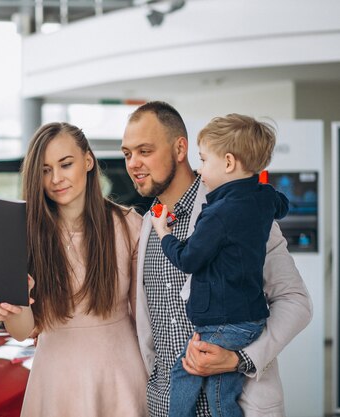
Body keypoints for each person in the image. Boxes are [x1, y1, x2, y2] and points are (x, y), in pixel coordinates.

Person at [121, 101, 312, 417]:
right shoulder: (147, 225)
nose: (133, 163)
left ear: (180, 148)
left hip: (231, 404)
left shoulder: (239, 211)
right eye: (128, 154)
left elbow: (296, 301)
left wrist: (240, 359)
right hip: (161, 404)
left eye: (144, 150)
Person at [0, 122, 149, 417]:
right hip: (56, 377)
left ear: (88, 161)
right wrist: (17, 301)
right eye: (45, 170)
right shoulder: (22, 234)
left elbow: (145, 319)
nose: (56, 178)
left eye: (65, 164)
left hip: (119, 375)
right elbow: (22, 332)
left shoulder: (129, 225)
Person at [150, 114, 289, 417]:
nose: (199, 169)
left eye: (203, 160)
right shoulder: (263, 197)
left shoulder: (220, 214)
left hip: (224, 322)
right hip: (249, 319)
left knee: (187, 372)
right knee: (220, 392)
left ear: (227, 163)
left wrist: (164, 233)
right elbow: (282, 204)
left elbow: (188, 259)